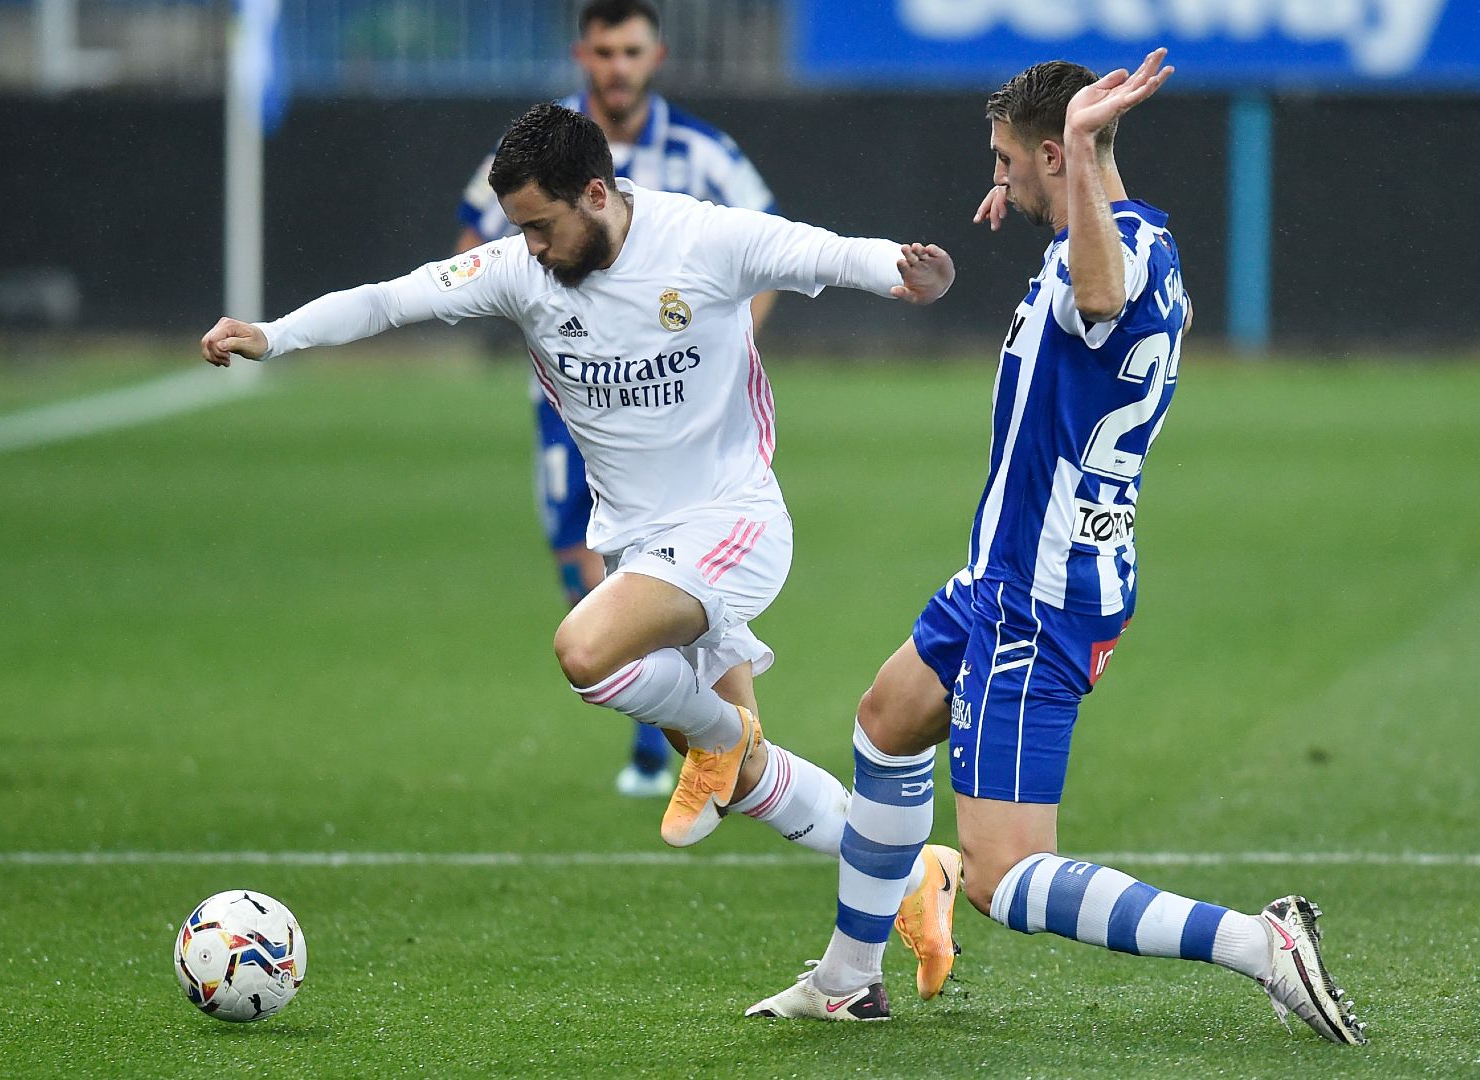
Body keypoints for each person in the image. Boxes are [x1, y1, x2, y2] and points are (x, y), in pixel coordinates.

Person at [746, 51, 1367, 1044]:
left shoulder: (1102, 265)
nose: (996, 180)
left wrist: (1073, 155)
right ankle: (847, 976)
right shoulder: (1146, 236)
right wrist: (1049, 194)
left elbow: (1104, 301)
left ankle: (1258, 944)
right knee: (887, 719)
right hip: (1009, 576)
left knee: (1002, 875)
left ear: (1054, 151)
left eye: (1006, 161)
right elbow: (1140, 302)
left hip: (1036, 597)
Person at [204, 102, 955, 857]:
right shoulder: (519, 272)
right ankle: (915, 879)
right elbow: (392, 299)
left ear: (597, 194)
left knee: (586, 652)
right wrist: (274, 335)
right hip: (635, 547)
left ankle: (724, 739)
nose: (529, 248)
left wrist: (904, 271)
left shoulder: (700, 240)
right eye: (519, 228)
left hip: (732, 524)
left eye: (541, 227)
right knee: (750, 777)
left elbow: (822, 253)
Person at [455, 0, 780, 798]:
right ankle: (688, 736)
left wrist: (720, 346)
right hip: (581, 404)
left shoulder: (704, 155)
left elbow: (759, 251)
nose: (617, 66)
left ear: (656, 55)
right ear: (583, 55)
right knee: (585, 565)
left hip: (678, 407)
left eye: (631, 50)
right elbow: (473, 241)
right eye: (604, 51)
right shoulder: (535, 149)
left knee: (665, 587)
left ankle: (705, 744)